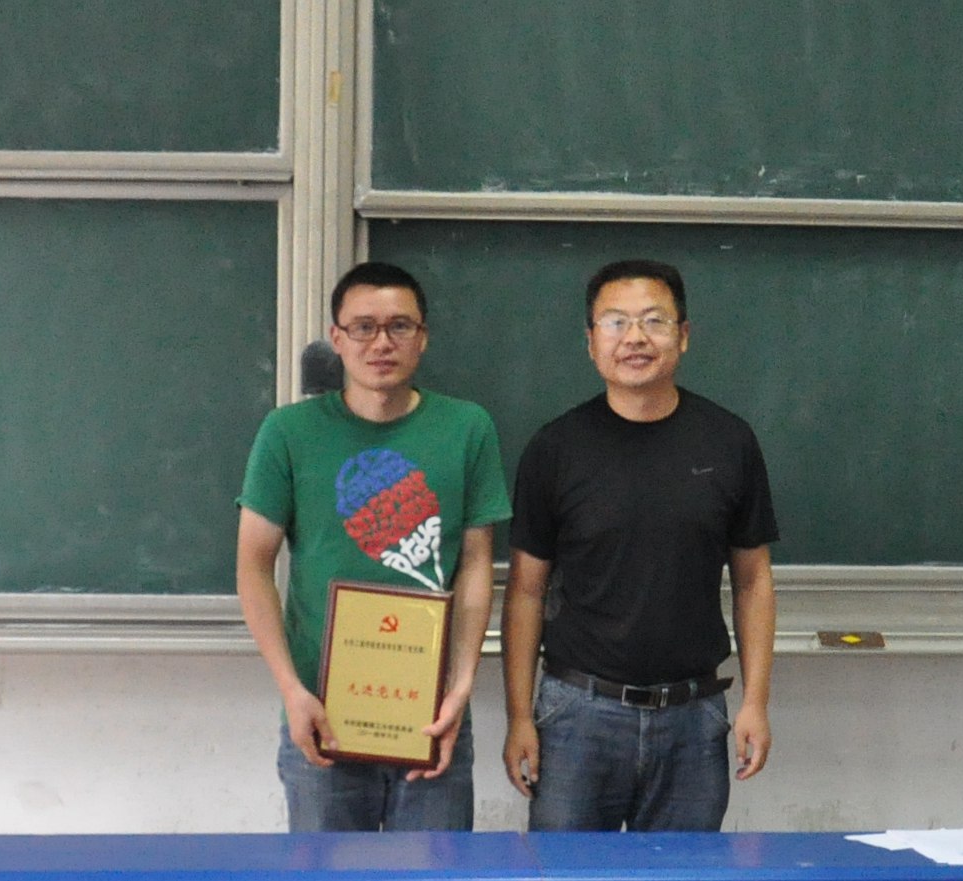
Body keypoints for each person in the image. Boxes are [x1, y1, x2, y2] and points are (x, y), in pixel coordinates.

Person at [501, 259, 779, 831]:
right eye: (615, 322)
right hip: (577, 716)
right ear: (591, 341)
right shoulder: (555, 449)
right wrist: (518, 716)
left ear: (684, 335)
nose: (635, 338)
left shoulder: (729, 441)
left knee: (684, 873)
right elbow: (526, 591)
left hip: (694, 718)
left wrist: (756, 702)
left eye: (654, 321)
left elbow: (753, 581)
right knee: (566, 873)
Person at [237, 261, 511, 831]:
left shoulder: (468, 428)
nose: (381, 343)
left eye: (399, 326)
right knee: (325, 871)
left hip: (432, 717)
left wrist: (461, 687)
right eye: (363, 327)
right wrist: (291, 690)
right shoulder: (287, 433)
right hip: (322, 716)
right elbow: (253, 567)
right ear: (337, 339)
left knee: (435, 871)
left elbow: (476, 564)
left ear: (422, 337)